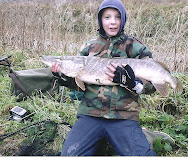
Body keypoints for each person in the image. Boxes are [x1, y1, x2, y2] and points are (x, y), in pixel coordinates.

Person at [52, 0, 173, 156]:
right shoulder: (88, 47)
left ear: (123, 19)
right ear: (100, 20)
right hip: (90, 115)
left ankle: (144, 135)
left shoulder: (136, 47)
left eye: (117, 17)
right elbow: (77, 84)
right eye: (107, 17)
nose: (113, 22)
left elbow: (150, 85)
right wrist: (61, 75)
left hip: (124, 116)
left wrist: (133, 83)